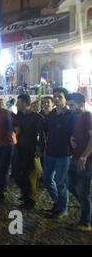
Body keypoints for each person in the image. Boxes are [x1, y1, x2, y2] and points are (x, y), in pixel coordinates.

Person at [43, 88, 76, 219]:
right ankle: (58, 203)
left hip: (63, 154)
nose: (56, 99)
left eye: (59, 97)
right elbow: (47, 132)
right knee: (46, 179)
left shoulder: (70, 116)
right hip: (50, 152)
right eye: (55, 96)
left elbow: (73, 135)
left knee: (61, 182)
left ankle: (62, 208)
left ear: (65, 99)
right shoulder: (51, 115)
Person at [12, 94, 45, 210]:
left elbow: (41, 135)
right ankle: (25, 193)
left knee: (30, 175)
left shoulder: (37, 117)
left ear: (25, 103)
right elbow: (15, 127)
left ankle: (30, 200)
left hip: (31, 150)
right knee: (18, 173)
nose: (16, 104)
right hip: (19, 147)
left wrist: (40, 149)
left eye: (19, 102)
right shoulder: (20, 115)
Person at [67, 93, 92, 231]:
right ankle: (86, 207)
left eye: (72, 105)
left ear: (81, 104)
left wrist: (84, 157)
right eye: (69, 105)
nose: (70, 108)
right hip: (76, 157)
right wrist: (72, 138)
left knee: (83, 192)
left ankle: (86, 223)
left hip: (85, 160)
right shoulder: (77, 117)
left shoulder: (88, 116)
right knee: (71, 185)